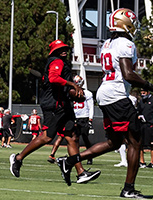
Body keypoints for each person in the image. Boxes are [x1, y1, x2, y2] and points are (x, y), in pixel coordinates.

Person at [58, 8, 153, 198]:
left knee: (114, 141)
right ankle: (128, 188)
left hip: (105, 92)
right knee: (136, 142)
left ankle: (69, 162)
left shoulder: (108, 43)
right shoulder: (126, 43)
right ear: (126, 24)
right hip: (116, 94)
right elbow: (128, 74)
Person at [9, 40, 98, 183]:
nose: (64, 50)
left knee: (72, 136)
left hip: (63, 104)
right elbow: (54, 78)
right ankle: (18, 158)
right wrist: (72, 85)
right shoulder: (57, 62)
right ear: (54, 51)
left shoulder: (61, 62)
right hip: (54, 105)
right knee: (47, 137)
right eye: (60, 49)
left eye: (64, 48)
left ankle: (80, 172)